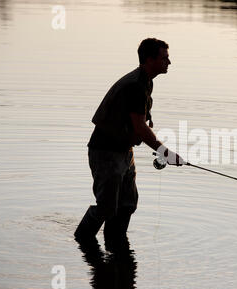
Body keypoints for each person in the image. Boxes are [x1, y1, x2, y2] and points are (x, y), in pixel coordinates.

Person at [74, 38, 184, 247]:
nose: (169, 62)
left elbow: (137, 125)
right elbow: (141, 128)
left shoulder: (145, 81)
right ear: (150, 60)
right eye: (165, 58)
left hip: (124, 151)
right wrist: (167, 153)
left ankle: (115, 244)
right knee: (107, 206)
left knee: (127, 204)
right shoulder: (135, 85)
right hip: (105, 152)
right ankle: (82, 242)